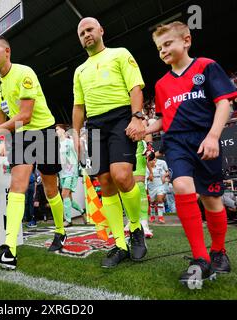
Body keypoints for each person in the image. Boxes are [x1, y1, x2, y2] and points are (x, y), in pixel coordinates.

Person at [147, 21, 237, 287]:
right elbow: (163, 120)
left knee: (212, 199)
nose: (163, 51)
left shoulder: (206, 66)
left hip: (204, 139)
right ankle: (200, 259)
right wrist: (144, 129)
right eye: (159, 48)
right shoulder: (162, 84)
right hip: (176, 143)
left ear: (186, 40)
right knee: (182, 185)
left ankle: (218, 251)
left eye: (167, 44)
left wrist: (213, 136)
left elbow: (224, 103)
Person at [0, 35, 65, 270]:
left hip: (42, 130)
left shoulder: (24, 73)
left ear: (7, 51)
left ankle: (60, 231)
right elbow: (1, 122)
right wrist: (0, 140)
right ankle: (9, 249)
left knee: (50, 188)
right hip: (21, 135)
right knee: (18, 185)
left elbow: (25, 116)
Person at [72, 17, 147, 268]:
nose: (86, 35)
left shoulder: (120, 54)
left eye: (90, 29)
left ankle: (136, 228)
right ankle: (119, 244)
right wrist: (75, 134)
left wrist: (137, 117)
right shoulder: (79, 70)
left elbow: (135, 87)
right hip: (94, 125)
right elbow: (78, 105)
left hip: (121, 118)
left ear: (101, 30)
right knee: (105, 183)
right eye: (82, 33)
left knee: (122, 175)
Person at [56, 124, 85, 227]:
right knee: (69, 199)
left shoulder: (70, 142)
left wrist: (81, 164)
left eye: (57, 129)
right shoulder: (57, 145)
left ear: (63, 131)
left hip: (71, 171)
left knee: (64, 194)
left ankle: (68, 220)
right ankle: (82, 212)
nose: (56, 131)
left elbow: (80, 149)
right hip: (62, 173)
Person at [145, 154, 168, 224]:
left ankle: (160, 217)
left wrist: (164, 177)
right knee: (152, 202)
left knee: (160, 200)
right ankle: (152, 216)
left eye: (154, 160)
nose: (152, 162)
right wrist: (149, 177)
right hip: (151, 187)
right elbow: (146, 178)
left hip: (160, 185)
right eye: (151, 161)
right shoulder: (146, 169)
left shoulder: (159, 167)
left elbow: (165, 174)